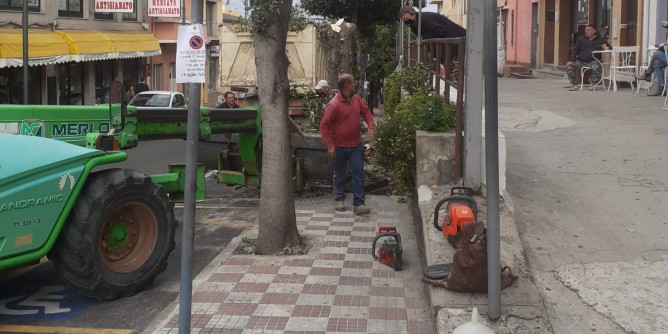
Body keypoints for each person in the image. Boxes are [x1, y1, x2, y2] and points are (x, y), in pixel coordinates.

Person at [319, 74, 375, 215]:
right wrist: (330, 145)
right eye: (353, 82)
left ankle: (359, 204)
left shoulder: (356, 99)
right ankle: (339, 199)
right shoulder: (334, 104)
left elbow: (366, 111)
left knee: (358, 173)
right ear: (347, 86)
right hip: (339, 147)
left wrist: (371, 125)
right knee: (339, 174)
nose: (355, 84)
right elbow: (324, 126)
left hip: (356, 145)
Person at [566, 24, 612, 91]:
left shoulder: (600, 39)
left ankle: (593, 84)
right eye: (586, 30)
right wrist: (571, 60)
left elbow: (610, 47)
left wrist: (604, 47)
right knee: (570, 66)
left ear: (594, 31)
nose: (587, 31)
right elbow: (575, 49)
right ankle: (574, 85)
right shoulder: (581, 39)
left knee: (597, 66)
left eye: (589, 30)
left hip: (594, 60)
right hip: (581, 61)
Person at [399, 6, 466, 39]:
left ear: (413, 15)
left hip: (459, 37)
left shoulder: (424, 19)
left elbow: (441, 31)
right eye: (404, 20)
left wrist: (423, 37)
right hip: (450, 42)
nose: (406, 21)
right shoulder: (413, 26)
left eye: (407, 18)